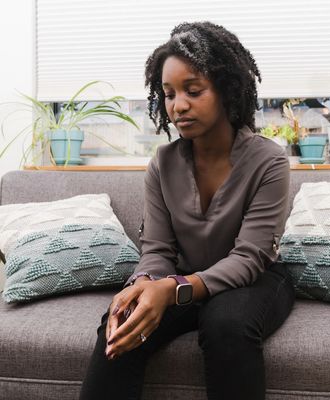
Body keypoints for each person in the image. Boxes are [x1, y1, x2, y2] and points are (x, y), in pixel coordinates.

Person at [79, 21, 295, 400]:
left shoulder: (269, 161)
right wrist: (143, 285)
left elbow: (248, 258)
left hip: (256, 278)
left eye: (193, 91)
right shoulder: (162, 163)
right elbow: (158, 251)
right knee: (123, 319)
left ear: (227, 90)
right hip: (183, 275)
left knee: (226, 322)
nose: (178, 105)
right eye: (168, 94)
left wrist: (174, 289)